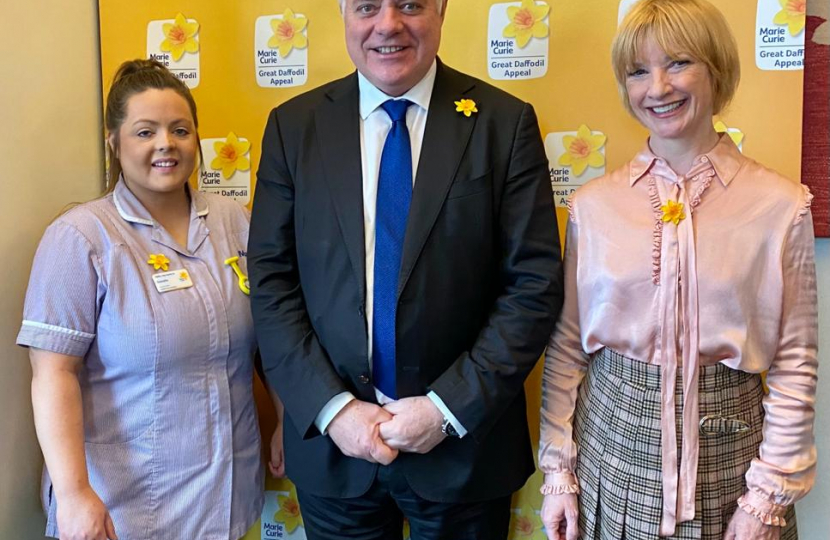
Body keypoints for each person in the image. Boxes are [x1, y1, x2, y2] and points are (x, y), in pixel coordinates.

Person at [248, 0, 564, 537]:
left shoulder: (503, 123)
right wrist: (333, 410)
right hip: (335, 452)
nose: (388, 24)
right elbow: (273, 283)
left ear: (441, 11)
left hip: (465, 451)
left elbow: (531, 286)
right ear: (345, 14)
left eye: (411, 4)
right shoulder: (293, 128)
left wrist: (446, 409)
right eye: (367, 6)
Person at [538, 1, 818, 539]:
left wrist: (766, 499)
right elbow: (568, 345)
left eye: (679, 62)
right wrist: (558, 475)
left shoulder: (781, 206)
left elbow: (794, 360)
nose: (658, 87)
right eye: (638, 71)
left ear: (716, 68)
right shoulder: (594, 206)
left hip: (733, 467)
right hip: (610, 461)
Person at [17, 59, 283, 540]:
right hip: (123, 506)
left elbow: (272, 336)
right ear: (114, 143)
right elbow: (53, 374)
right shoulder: (80, 238)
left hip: (225, 490)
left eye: (180, 129)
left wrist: (284, 416)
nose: (166, 143)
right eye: (145, 131)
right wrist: (74, 494)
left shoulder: (234, 221)